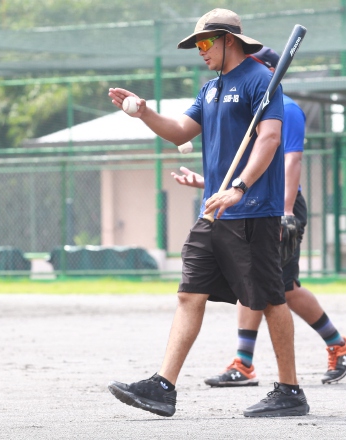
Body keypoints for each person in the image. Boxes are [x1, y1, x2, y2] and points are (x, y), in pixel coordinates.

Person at [106, 9, 309, 418]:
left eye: (204, 43)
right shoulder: (211, 88)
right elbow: (180, 131)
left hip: (253, 212)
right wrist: (145, 112)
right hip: (214, 213)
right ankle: (163, 386)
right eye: (196, 45)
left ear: (227, 40)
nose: (200, 51)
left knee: (271, 299)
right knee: (188, 293)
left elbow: (269, 140)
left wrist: (239, 187)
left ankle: (290, 390)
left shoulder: (261, 82)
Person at [174, 47, 346, 389]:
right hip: (246, 202)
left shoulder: (284, 107)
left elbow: (289, 162)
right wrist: (208, 183)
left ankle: (334, 344)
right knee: (266, 288)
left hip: (277, 206)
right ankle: (249, 361)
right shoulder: (240, 100)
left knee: (279, 289)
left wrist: (286, 213)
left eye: (254, 63)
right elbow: (248, 159)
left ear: (267, 71)